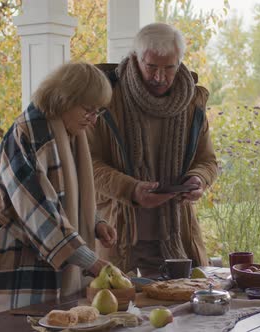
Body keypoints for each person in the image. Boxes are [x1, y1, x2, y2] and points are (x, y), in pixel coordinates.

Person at [0, 62, 117, 315]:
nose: (93, 120)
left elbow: (67, 195)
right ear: (63, 98)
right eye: (88, 110)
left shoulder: (69, 132)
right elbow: (37, 211)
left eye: (98, 112)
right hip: (14, 267)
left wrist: (94, 221)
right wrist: (90, 261)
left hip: (42, 265)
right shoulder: (28, 133)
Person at [87, 23, 218, 274]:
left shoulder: (193, 104)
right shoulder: (105, 100)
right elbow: (87, 165)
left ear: (179, 62)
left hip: (179, 240)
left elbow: (208, 161)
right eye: (151, 67)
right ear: (136, 59)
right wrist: (131, 190)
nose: (160, 77)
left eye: (169, 68)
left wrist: (198, 179)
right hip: (119, 240)